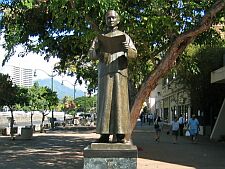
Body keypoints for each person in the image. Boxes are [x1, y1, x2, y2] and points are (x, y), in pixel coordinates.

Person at [88, 10, 137, 143]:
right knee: (105, 103)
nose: (111, 20)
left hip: (120, 72)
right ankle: (104, 134)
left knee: (119, 103)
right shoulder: (99, 37)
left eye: (113, 17)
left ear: (118, 20)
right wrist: (97, 49)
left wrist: (128, 49)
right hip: (105, 73)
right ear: (105, 20)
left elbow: (134, 54)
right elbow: (91, 54)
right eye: (108, 18)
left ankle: (121, 134)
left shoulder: (125, 36)